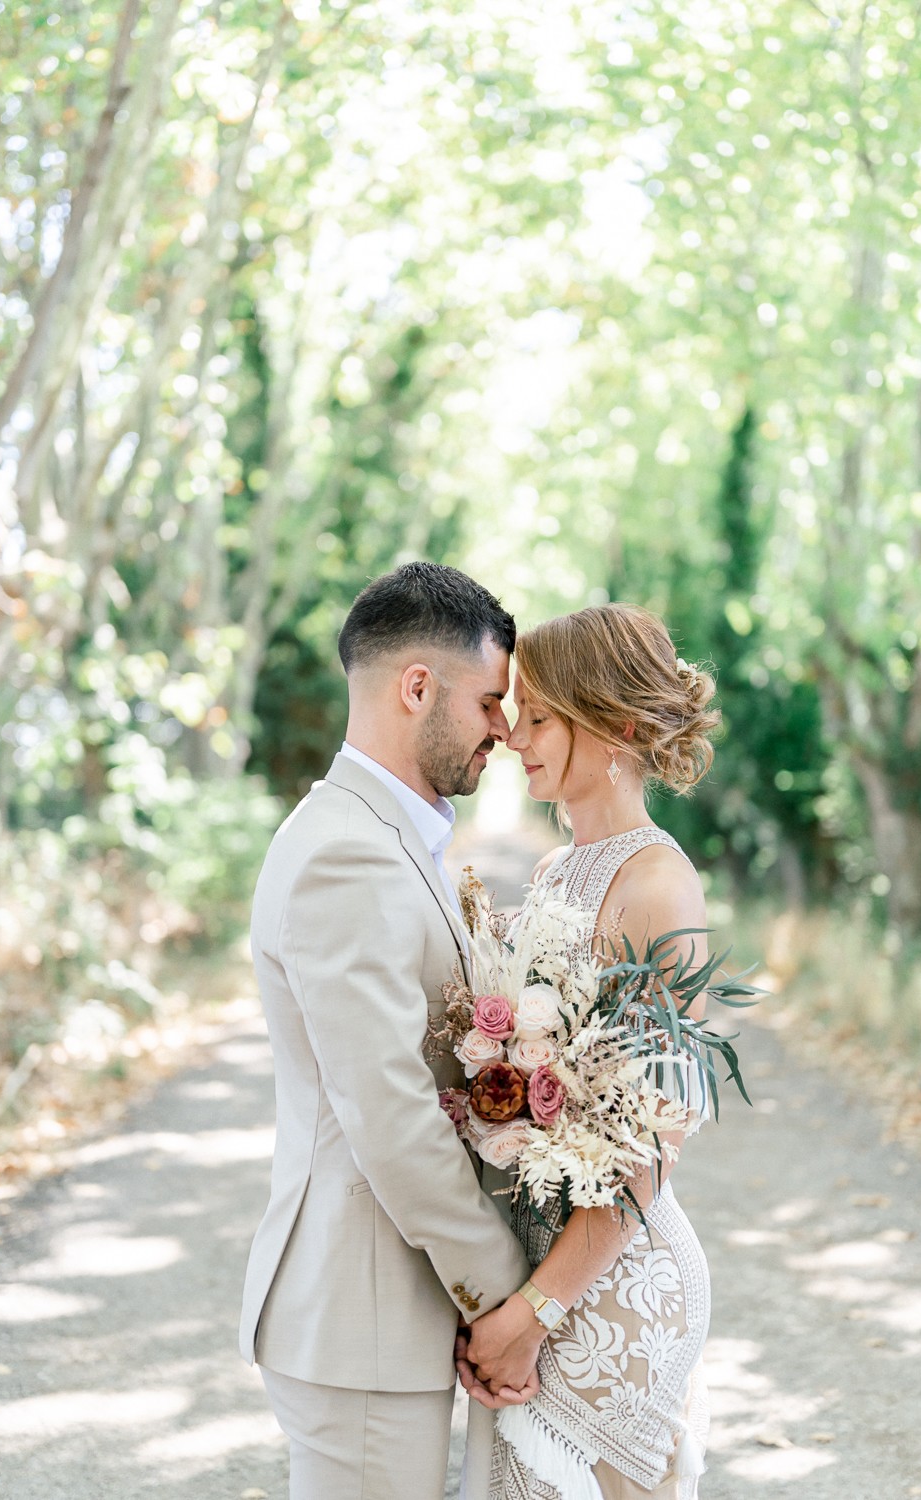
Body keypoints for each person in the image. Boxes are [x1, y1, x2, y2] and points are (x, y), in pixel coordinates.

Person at [239, 562, 536, 1500]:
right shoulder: (345, 854)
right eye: (491, 701)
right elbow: (392, 1118)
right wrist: (509, 1294)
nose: (505, 727)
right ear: (418, 687)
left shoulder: (396, 838)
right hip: (359, 1322)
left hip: (388, 1315)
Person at [458, 603, 721, 1500]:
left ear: (616, 726)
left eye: (538, 716)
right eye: (516, 714)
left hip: (613, 1290)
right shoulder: (548, 872)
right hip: (536, 1268)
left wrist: (539, 1309)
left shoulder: (659, 885)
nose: (514, 735)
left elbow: (654, 1139)